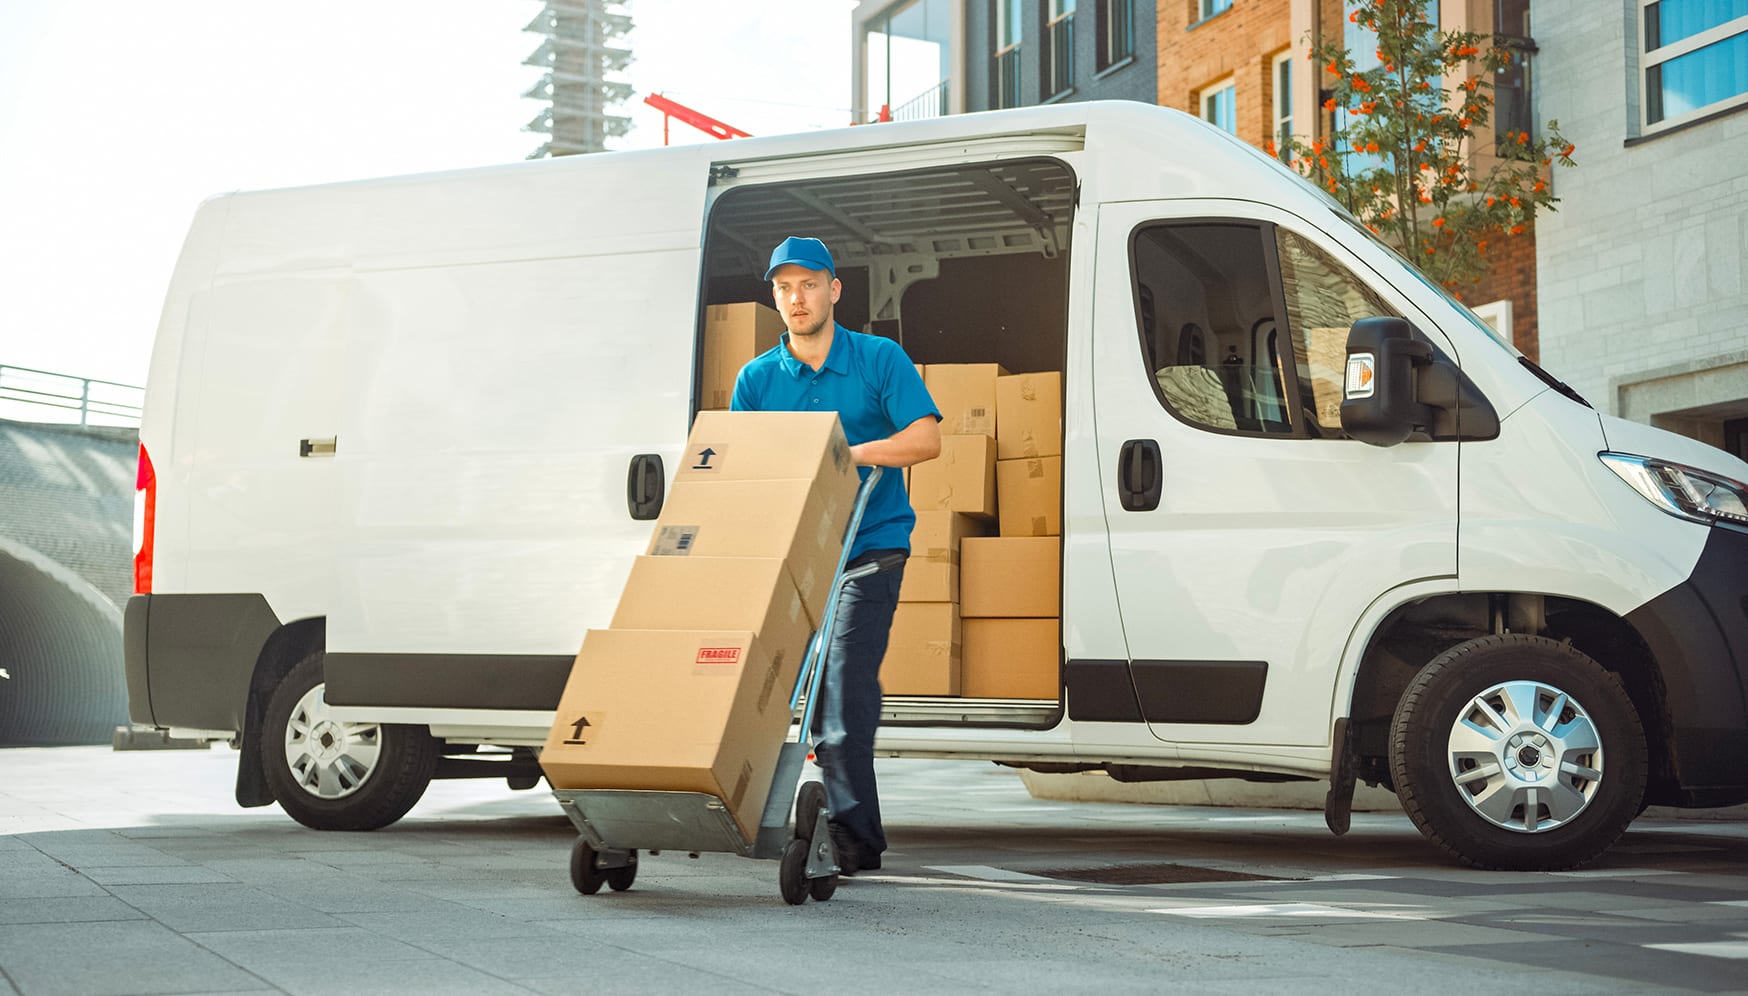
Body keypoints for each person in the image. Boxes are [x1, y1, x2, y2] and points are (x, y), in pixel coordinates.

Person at [730, 236, 941, 875]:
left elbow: (925, 439)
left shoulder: (879, 359)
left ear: (834, 290)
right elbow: (743, 466)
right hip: (793, 556)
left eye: (809, 284)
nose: (798, 298)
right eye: (785, 287)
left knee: (843, 694)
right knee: (755, 686)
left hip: (869, 549)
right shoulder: (758, 379)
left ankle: (855, 840)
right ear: (775, 297)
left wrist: (847, 455)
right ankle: (737, 805)